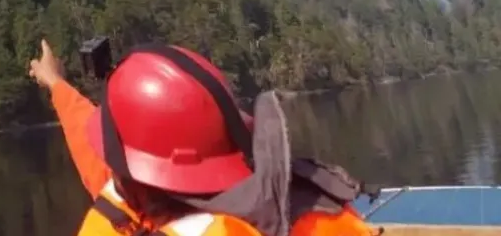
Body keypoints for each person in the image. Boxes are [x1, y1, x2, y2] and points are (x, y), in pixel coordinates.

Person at [29, 39, 380, 236]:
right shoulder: (320, 219)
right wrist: (58, 85)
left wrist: (55, 82)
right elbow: (103, 152)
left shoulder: (123, 212)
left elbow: (109, 166)